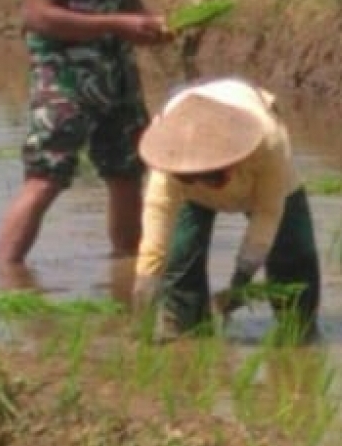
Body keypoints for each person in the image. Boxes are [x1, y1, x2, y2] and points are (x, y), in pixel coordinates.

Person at [0, 0, 173, 273]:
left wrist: (150, 26)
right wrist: (117, 25)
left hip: (117, 80)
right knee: (46, 176)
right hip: (65, 81)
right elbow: (39, 16)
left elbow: (132, 3)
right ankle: (7, 273)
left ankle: (126, 274)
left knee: (128, 174)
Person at [134, 77, 321, 343]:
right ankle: (187, 336)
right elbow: (158, 215)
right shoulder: (170, 149)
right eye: (190, 178)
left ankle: (299, 334)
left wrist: (242, 277)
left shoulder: (268, 141)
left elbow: (268, 213)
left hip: (265, 182)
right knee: (181, 257)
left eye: (211, 178)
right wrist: (145, 280)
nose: (201, 183)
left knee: (293, 254)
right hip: (188, 184)